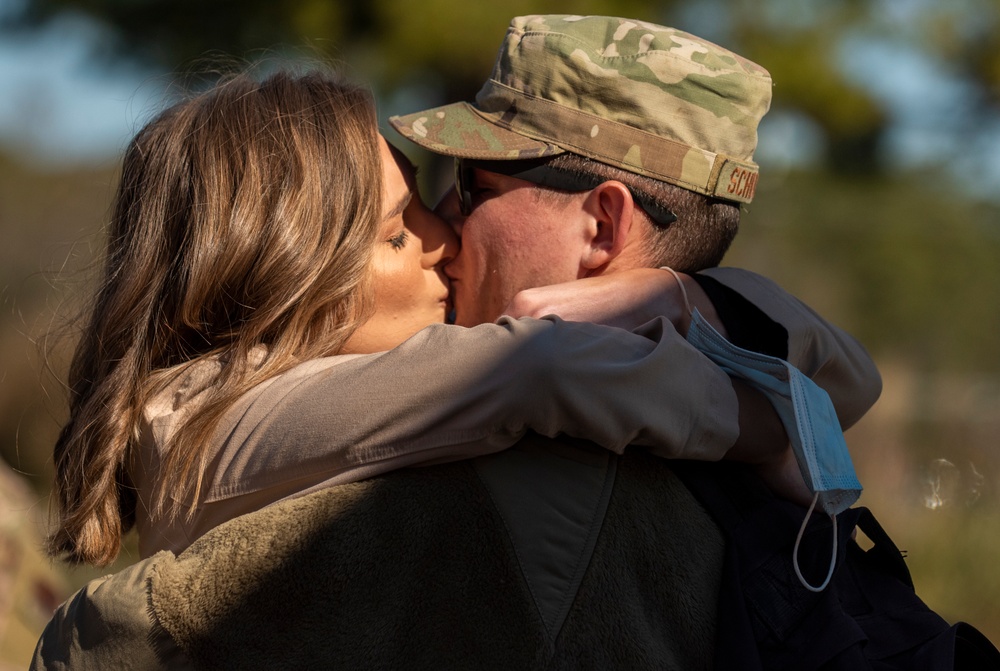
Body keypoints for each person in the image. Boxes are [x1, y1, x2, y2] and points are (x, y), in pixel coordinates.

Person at [33, 18, 894, 670]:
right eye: (398, 230)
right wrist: (768, 423)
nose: (445, 232)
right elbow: (536, 369)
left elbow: (844, 371)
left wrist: (684, 301)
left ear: (605, 226)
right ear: (291, 277)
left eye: (467, 189)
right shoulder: (239, 423)